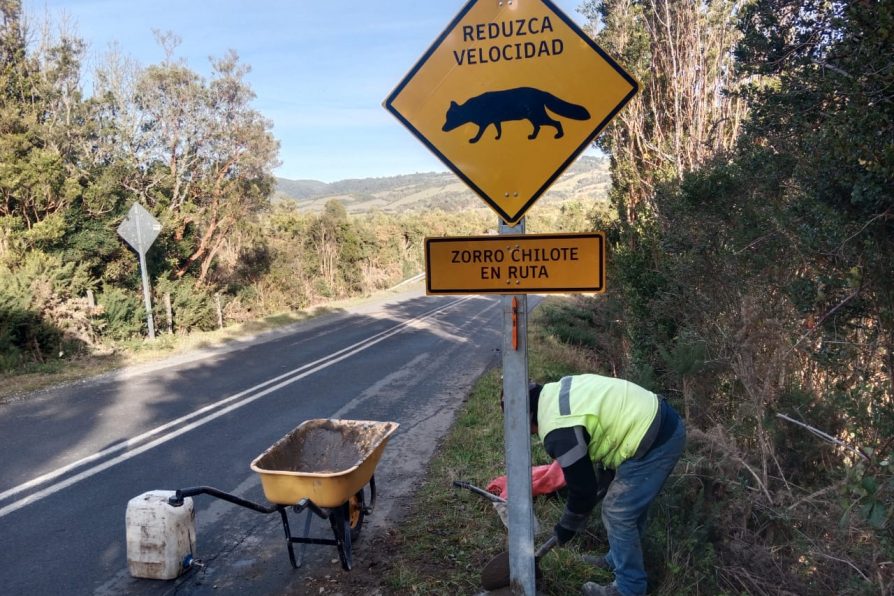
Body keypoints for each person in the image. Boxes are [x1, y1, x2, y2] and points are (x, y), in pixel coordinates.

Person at [528, 374, 686, 596]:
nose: (533, 435)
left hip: (657, 440)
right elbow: (600, 425)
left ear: (529, 418)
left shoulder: (556, 430)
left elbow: (583, 491)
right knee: (629, 509)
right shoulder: (555, 392)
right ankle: (616, 559)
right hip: (655, 423)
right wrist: (605, 473)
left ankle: (629, 588)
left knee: (617, 512)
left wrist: (565, 528)